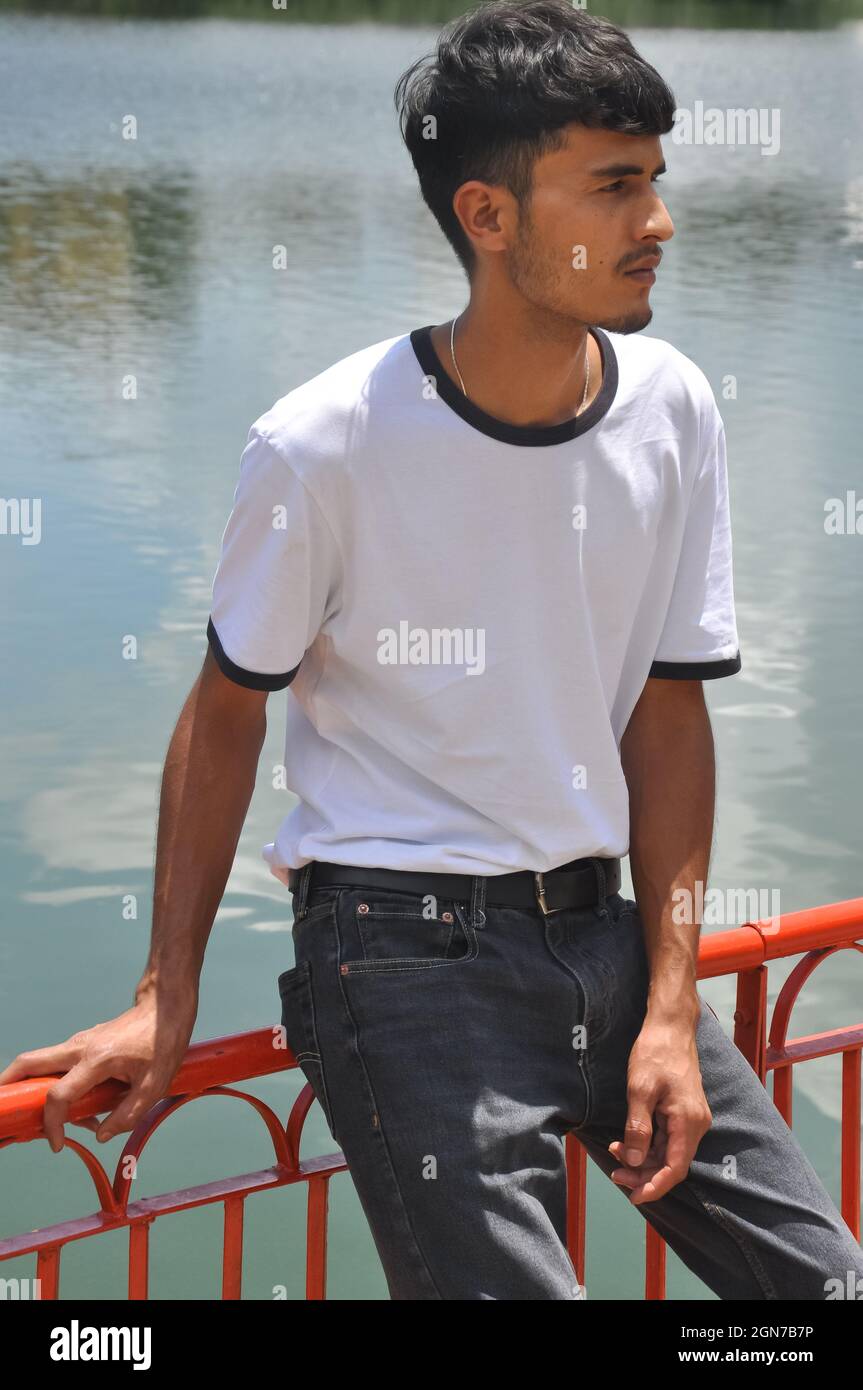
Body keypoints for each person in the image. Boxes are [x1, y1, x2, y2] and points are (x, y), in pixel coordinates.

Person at [3, 0, 861, 1300]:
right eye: (615, 186)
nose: (659, 225)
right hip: (404, 958)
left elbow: (668, 711)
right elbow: (227, 708)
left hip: (611, 945)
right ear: (490, 214)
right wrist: (164, 992)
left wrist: (676, 1004)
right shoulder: (322, 443)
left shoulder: (676, 408)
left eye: (659, 183)